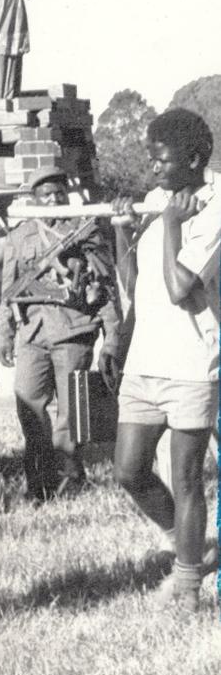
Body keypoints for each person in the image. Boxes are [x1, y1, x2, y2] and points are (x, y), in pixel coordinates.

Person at [113, 108, 220, 613]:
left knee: (186, 478)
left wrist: (172, 223)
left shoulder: (216, 207)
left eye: (163, 160)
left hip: (191, 363)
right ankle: (192, 548)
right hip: (146, 359)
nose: (153, 169)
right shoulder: (160, 202)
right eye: (151, 159)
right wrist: (122, 231)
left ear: (195, 160)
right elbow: (136, 285)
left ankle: (188, 585)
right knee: (129, 470)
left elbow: (180, 287)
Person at [0, 167, 121, 502]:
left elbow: (105, 287)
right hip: (33, 332)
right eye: (45, 194)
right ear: (34, 199)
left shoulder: (85, 231)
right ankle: (39, 481)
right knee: (28, 404)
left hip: (74, 328)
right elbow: (8, 290)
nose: (53, 199)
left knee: (72, 411)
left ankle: (71, 476)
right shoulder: (19, 236)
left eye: (59, 193)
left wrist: (112, 337)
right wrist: (3, 333)